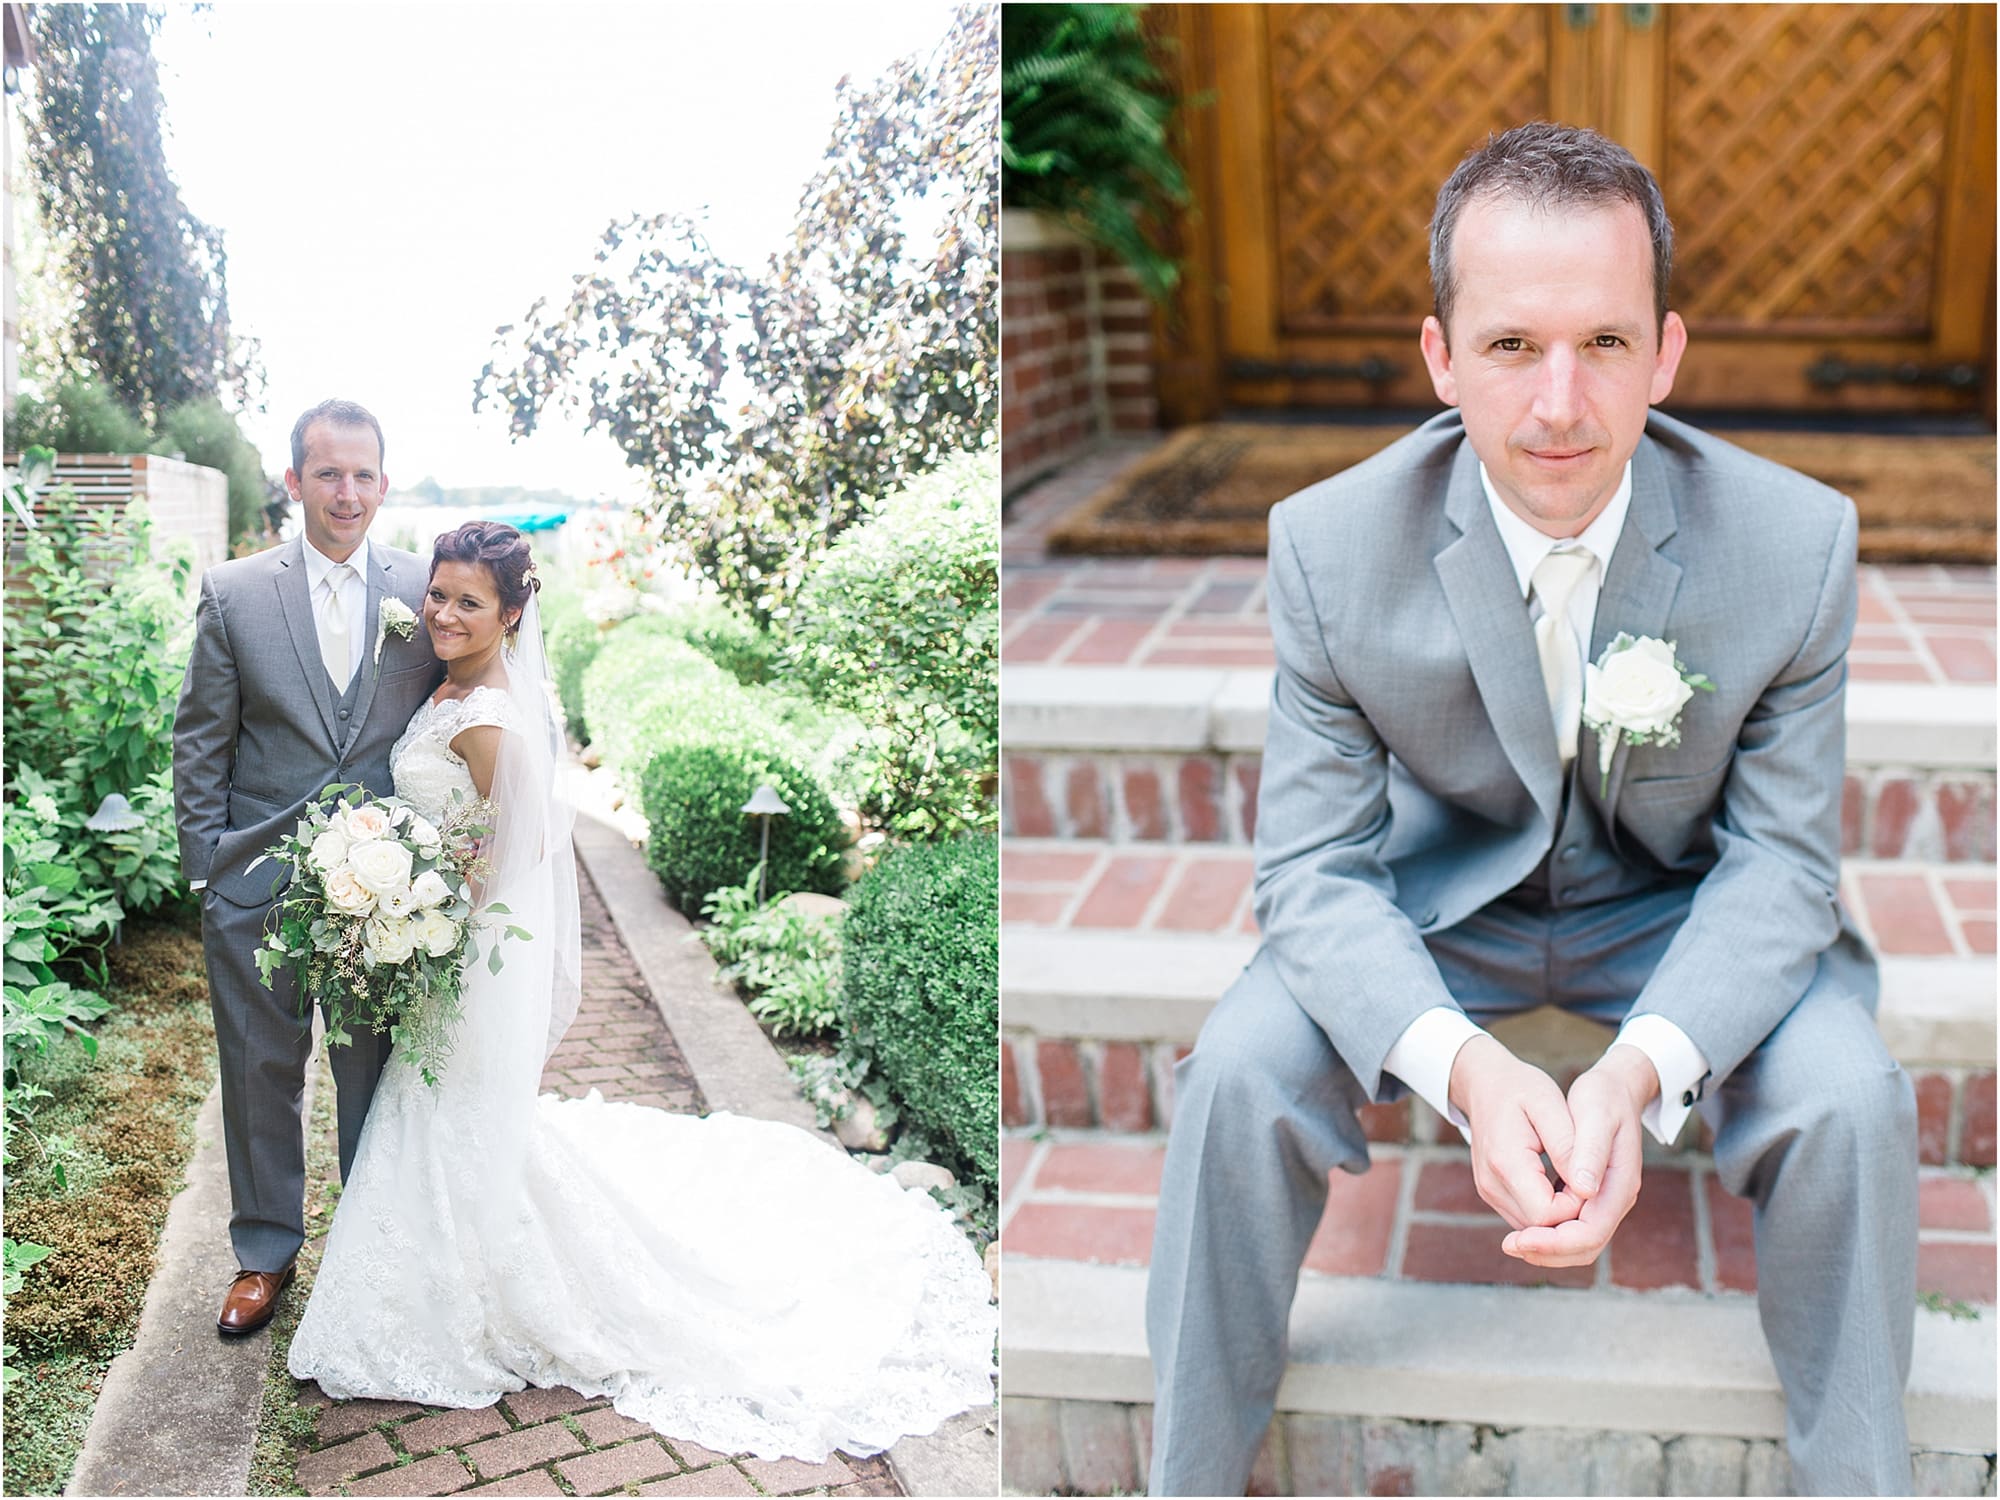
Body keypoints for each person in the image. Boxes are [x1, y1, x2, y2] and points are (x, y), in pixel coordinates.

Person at [1143, 122, 1916, 1497]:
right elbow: (1315, 871)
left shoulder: (1795, 546)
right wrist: (1468, 1071)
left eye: (1605, 345)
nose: (1560, 403)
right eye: (1510, 347)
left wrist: (1634, 1075)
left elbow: (1785, 870)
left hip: (1675, 910)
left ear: (1666, 354)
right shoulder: (1329, 549)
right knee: (1239, 1073)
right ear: (1439, 359)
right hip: (1445, 917)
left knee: (1850, 1096)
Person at [284, 521, 996, 1462]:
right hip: (437, 945)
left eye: (469, 602)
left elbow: (519, 847)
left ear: (512, 612)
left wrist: (417, 910)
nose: (445, 614)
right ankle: (433, 1269)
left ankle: (463, 1293)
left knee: (450, 1115)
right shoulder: (453, 683)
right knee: (445, 1117)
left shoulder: (489, 713)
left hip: (456, 953)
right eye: (440, 595)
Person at [174, 398, 444, 1336]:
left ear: (384, 479)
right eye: (328, 473)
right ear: (294, 482)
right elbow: (201, 744)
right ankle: (263, 1255)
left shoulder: (426, 588)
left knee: (375, 1073)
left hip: (387, 898)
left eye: (365, 474)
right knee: (259, 1075)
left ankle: (373, 1252)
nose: (349, 493)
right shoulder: (235, 592)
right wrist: (208, 875)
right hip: (256, 887)